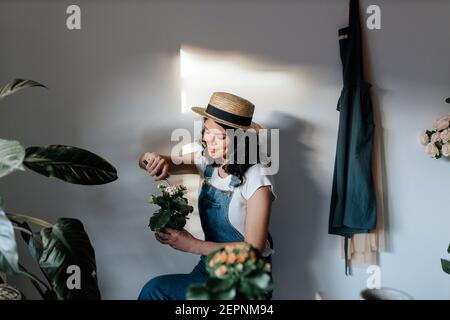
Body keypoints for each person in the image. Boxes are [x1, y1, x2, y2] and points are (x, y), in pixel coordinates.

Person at [137, 92, 276, 300]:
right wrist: (150, 159)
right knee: (154, 290)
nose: (208, 140)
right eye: (206, 131)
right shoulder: (209, 161)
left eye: (219, 136)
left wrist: (192, 245)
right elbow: (155, 160)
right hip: (210, 269)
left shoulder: (257, 179)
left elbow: (252, 252)